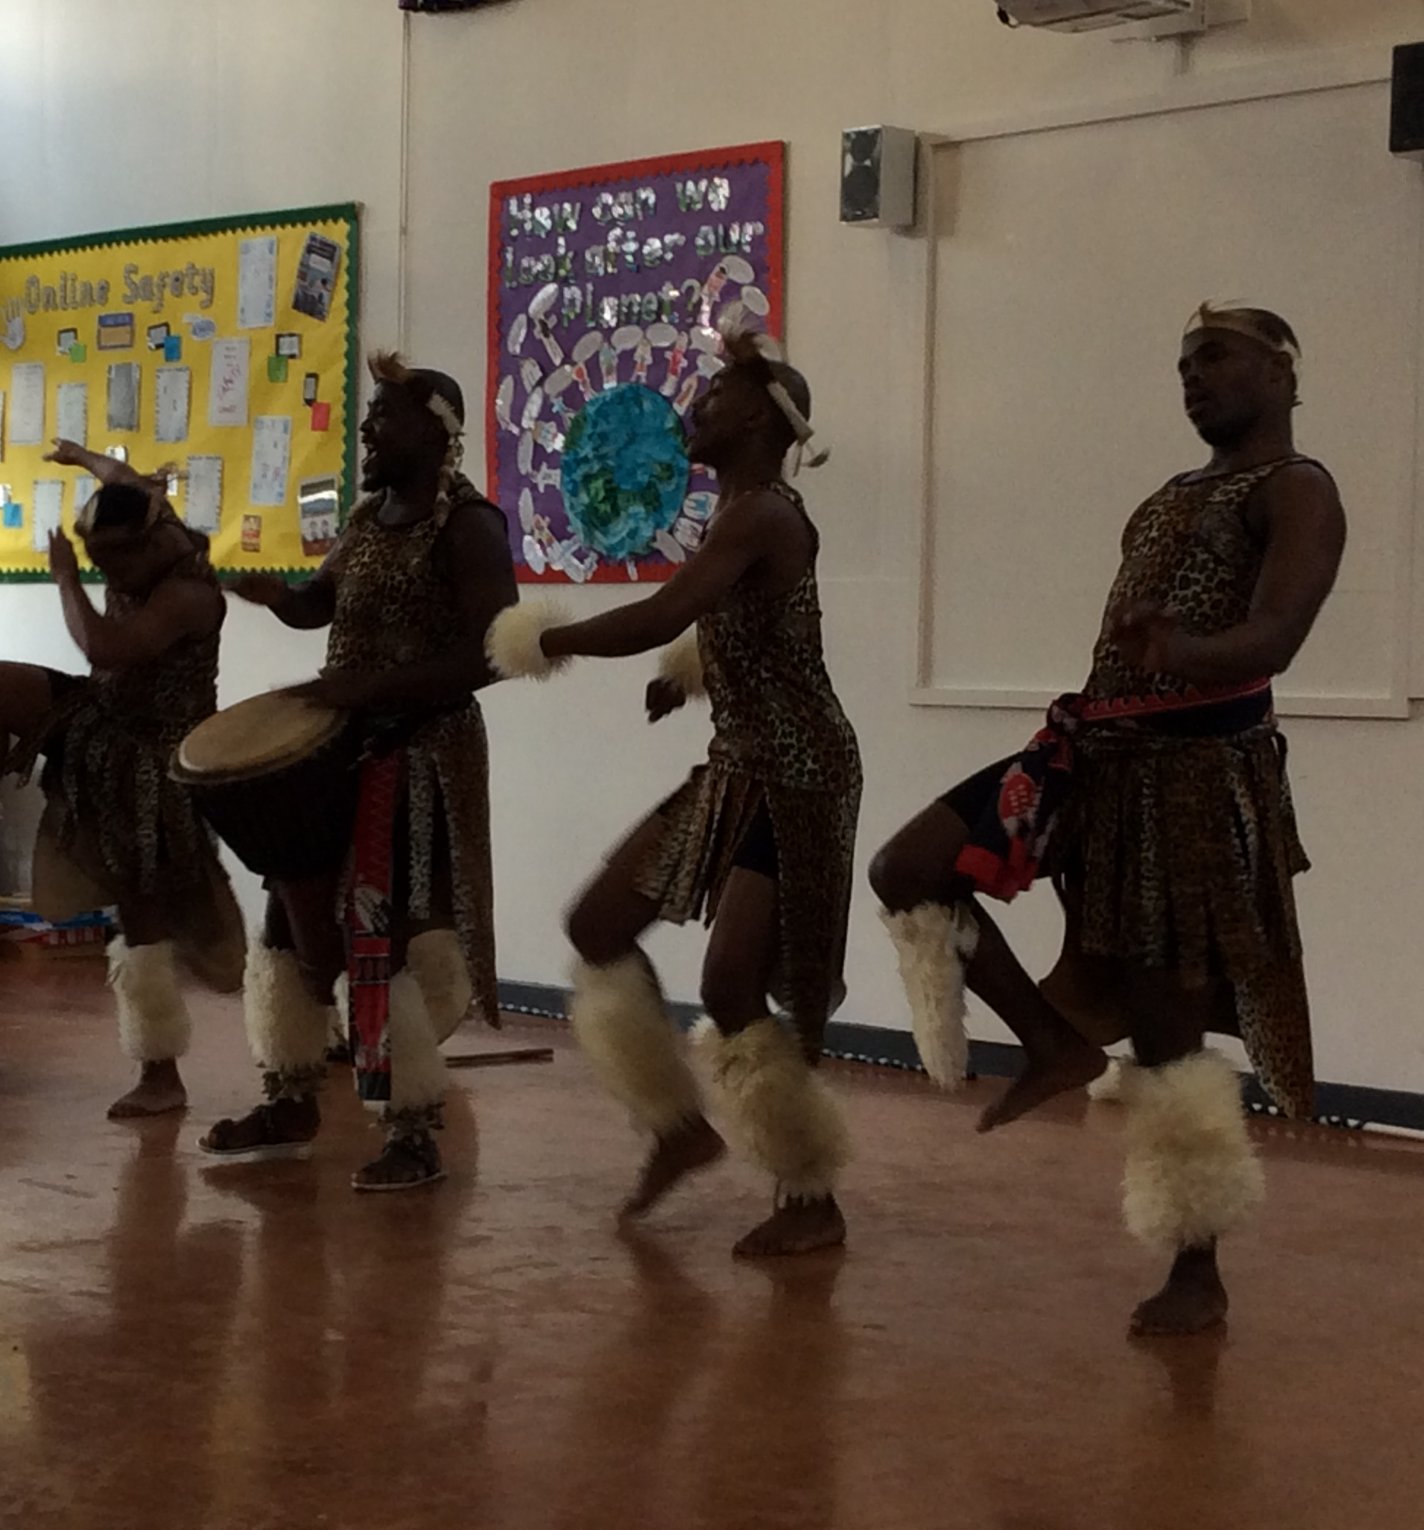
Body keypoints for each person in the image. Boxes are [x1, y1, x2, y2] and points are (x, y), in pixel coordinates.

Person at [867, 304, 1346, 1335]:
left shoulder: (1296, 489)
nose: (1191, 378)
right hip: (1090, 757)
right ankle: (1049, 1043)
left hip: (1192, 775)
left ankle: (1194, 1270)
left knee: (1168, 1032)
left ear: (1280, 370)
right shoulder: (1169, 495)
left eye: (1213, 358)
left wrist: (1177, 649)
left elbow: (1276, 635)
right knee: (907, 866)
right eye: (1180, 363)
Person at [490, 313, 862, 1257]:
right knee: (597, 927)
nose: (696, 405)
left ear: (768, 422)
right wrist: (687, 669)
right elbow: (742, 621)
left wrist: (556, 638)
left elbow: (671, 603)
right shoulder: (740, 517)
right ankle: (678, 1127)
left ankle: (808, 1195)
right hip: (738, 764)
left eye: (719, 396)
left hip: (799, 773)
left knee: (734, 984)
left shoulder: (762, 511)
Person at [198, 351, 516, 1191]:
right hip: (341, 742)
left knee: (387, 933)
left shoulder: (470, 527)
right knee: (286, 917)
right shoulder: (371, 518)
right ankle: (290, 1092)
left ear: (436, 430)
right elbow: (321, 608)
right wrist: (278, 598)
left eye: (383, 417)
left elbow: (492, 655)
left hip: (417, 751)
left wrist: (367, 688)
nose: (367, 430)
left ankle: (413, 1126)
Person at [0, 441, 243, 1118]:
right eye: (95, 560)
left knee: (139, 917)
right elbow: (120, 477)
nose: (106, 571)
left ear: (150, 543)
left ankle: (160, 1073)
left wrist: (66, 579)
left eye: (112, 563)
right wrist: (80, 456)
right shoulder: (141, 511)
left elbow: (108, 646)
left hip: (157, 757)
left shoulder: (188, 594)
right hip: (101, 711)